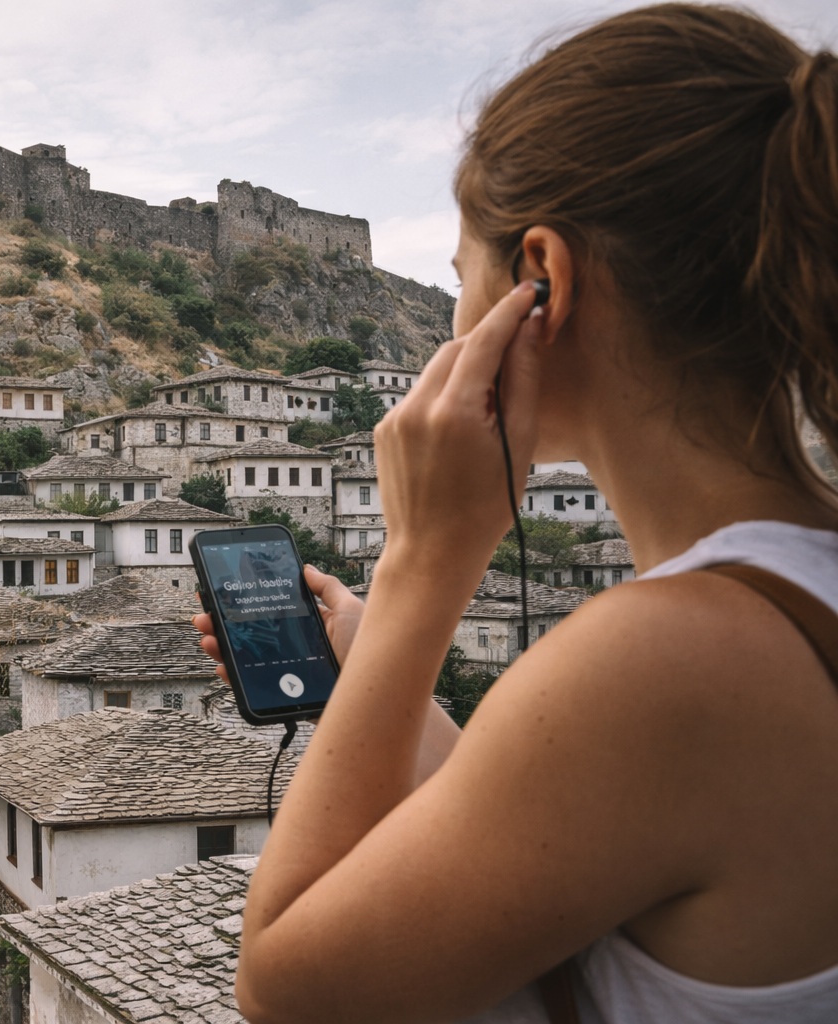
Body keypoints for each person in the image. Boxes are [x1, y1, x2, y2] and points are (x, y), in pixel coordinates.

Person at [194, 5, 838, 1021]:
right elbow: (550, 814)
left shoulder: (672, 656)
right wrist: (381, 665)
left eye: (460, 278)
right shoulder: (784, 598)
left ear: (542, 280)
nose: (452, 317)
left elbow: (286, 991)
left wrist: (421, 563)